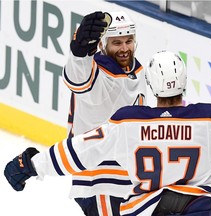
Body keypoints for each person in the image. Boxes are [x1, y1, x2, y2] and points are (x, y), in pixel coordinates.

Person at [4, 50, 211, 215]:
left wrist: (30, 165)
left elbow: (78, 152)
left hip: (144, 210)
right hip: (193, 207)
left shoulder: (128, 123)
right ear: (185, 82)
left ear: (150, 86)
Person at [63, 11, 146, 215]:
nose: (125, 48)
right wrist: (80, 52)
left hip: (124, 176)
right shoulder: (99, 73)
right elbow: (79, 79)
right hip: (99, 179)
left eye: (129, 41)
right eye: (116, 43)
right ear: (102, 45)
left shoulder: (137, 70)